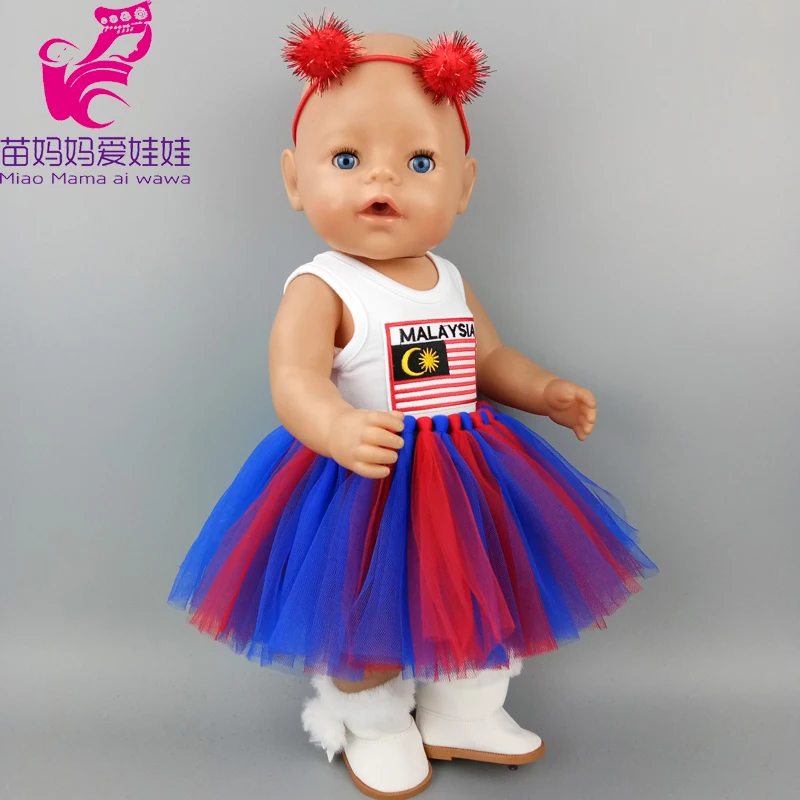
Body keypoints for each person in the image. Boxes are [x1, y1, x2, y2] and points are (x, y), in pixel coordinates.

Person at [169, 15, 658, 800]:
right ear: (295, 180)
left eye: (419, 162)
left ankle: (466, 709)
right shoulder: (322, 286)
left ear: (462, 186)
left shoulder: (448, 278)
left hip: (464, 472)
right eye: (347, 159)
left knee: (475, 595)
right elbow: (294, 379)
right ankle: (373, 723)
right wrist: (335, 425)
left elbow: (486, 359)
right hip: (366, 475)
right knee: (363, 610)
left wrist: (542, 391)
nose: (383, 180)